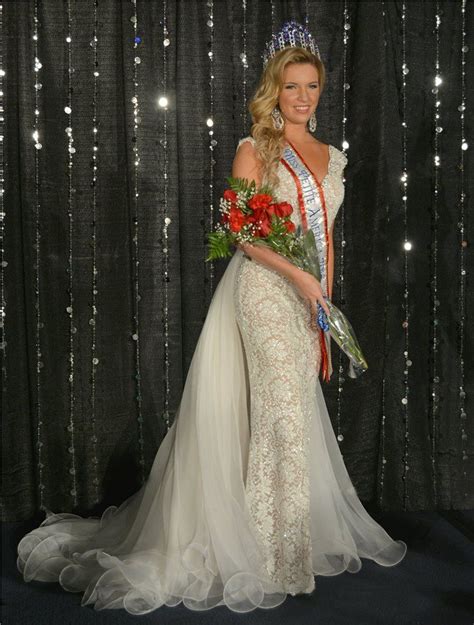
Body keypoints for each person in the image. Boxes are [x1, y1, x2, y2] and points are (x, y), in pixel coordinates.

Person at [16, 20, 407, 615]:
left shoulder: (333, 158)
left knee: (290, 414)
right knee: (278, 412)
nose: (302, 97)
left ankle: (281, 542)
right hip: (265, 289)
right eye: (291, 86)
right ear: (273, 90)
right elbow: (243, 233)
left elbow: (323, 236)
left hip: (308, 299)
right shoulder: (257, 149)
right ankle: (270, 555)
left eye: (312, 87)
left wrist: (320, 289)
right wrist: (300, 277)